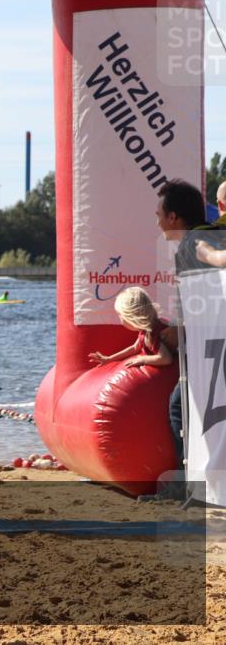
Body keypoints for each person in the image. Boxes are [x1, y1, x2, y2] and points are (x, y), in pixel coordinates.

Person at [153, 180, 217, 495]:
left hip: (209, 350)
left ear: (174, 217)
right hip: (207, 347)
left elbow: (208, 295)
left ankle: (191, 485)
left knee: (181, 407)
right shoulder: (200, 237)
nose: (158, 223)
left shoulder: (195, 243)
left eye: (160, 215)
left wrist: (181, 329)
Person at [87, 287, 172, 369]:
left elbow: (166, 359)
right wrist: (109, 359)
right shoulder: (146, 329)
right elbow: (135, 348)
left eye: (120, 315)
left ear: (131, 317)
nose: (120, 319)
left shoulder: (152, 334)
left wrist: (142, 359)